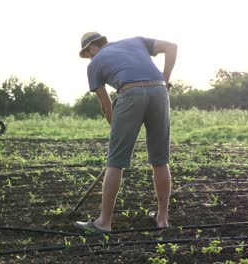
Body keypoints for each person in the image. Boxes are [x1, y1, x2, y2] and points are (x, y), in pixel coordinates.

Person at [74, 32, 177, 233]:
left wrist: (120, 136)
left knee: (115, 161)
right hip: (159, 92)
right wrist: (164, 81)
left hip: (129, 94)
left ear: (91, 48)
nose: (90, 59)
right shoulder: (136, 41)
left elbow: (106, 107)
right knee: (160, 159)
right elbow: (172, 47)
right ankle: (162, 218)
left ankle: (103, 223)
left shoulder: (94, 64)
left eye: (88, 55)